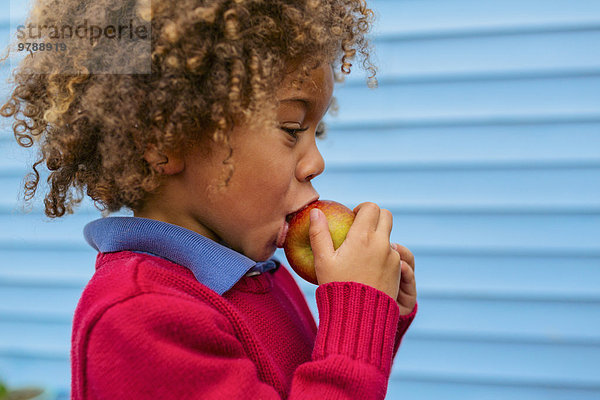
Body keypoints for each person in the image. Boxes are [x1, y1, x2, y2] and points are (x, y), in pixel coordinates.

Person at [1, 0, 417, 398]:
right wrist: (357, 317)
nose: (316, 163)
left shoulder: (258, 275)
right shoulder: (141, 316)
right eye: (292, 128)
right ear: (166, 139)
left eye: (315, 132)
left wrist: (374, 323)